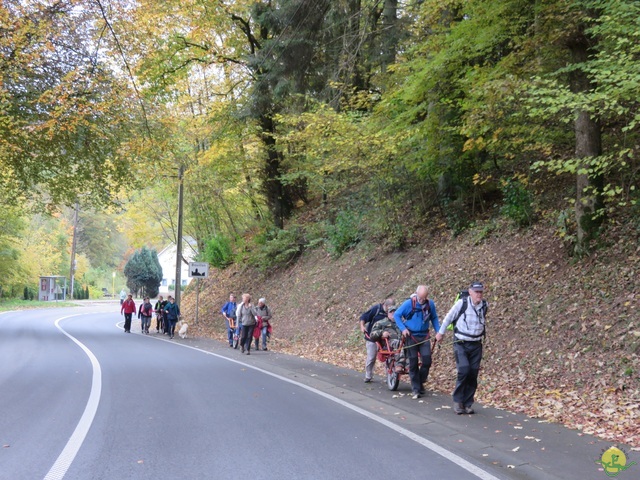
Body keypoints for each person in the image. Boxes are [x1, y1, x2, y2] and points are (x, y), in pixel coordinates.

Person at [436, 282, 488, 415]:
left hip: (476, 344)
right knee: (464, 370)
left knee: (473, 373)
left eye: (481, 292)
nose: (479, 294)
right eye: (476, 292)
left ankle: (468, 403)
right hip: (461, 343)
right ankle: (458, 401)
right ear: (470, 292)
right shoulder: (462, 303)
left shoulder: (484, 306)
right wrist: (440, 333)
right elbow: (449, 317)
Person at [394, 285, 439, 399]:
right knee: (413, 363)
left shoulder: (430, 304)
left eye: (424, 298)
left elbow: (434, 318)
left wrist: (439, 332)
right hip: (411, 336)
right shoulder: (409, 303)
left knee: (427, 361)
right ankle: (416, 389)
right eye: (420, 297)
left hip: (424, 336)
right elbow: (397, 315)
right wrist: (403, 329)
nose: (422, 300)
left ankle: (419, 381)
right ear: (416, 294)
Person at [359, 298, 395, 383]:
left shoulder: (392, 312)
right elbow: (364, 317)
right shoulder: (376, 309)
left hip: (386, 337)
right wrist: (362, 326)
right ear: (385, 305)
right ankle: (368, 375)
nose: (390, 311)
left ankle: (389, 375)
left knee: (390, 355)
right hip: (373, 337)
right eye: (389, 309)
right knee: (371, 357)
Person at [368, 305, 406, 372]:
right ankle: (399, 365)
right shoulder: (381, 323)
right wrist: (382, 333)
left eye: (395, 312)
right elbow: (372, 334)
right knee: (399, 344)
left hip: (402, 342)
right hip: (388, 343)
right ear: (387, 314)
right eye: (391, 312)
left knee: (410, 346)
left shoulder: (402, 323)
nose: (393, 314)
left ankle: (412, 368)